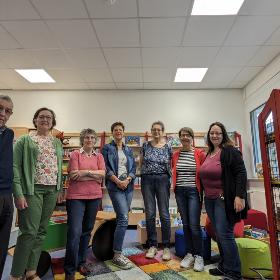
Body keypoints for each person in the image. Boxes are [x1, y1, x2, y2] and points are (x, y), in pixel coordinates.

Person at [10, 107, 64, 280]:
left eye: (49, 117)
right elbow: (14, 167)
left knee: (41, 231)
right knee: (28, 232)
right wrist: (18, 193)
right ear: (35, 120)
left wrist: (60, 188)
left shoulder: (56, 142)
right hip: (32, 190)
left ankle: (31, 272)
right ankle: (16, 274)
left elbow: (59, 167)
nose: (45, 120)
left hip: (51, 191)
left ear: (53, 122)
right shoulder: (24, 140)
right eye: (41, 117)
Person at [199, 122, 247, 280]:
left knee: (225, 234)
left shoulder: (229, 151)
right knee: (218, 234)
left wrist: (239, 196)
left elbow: (241, 172)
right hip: (210, 200)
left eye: (218, 133)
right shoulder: (209, 153)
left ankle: (234, 272)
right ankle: (224, 265)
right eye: (212, 133)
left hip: (223, 199)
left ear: (223, 134)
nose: (214, 135)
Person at [64, 129, 105, 279]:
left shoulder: (99, 156)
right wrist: (93, 174)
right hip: (76, 197)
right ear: (82, 139)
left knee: (86, 232)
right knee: (74, 233)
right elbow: (74, 175)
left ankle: (81, 263)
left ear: (95, 140)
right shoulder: (75, 154)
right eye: (86, 137)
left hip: (94, 197)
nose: (89, 140)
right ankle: (69, 269)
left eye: (92, 138)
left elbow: (103, 174)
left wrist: (84, 172)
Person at [101, 122, 136, 270]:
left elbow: (133, 167)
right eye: (115, 130)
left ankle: (114, 247)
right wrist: (117, 181)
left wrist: (127, 180)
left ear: (123, 133)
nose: (118, 132)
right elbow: (105, 168)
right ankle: (117, 255)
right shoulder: (107, 148)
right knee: (123, 218)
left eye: (120, 130)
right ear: (112, 133)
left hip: (128, 187)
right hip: (115, 186)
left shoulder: (128, 149)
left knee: (123, 217)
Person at [172, 127, 206, 271]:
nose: (185, 137)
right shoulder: (175, 154)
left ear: (192, 138)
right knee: (185, 224)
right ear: (179, 138)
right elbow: (174, 172)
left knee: (194, 225)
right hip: (180, 191)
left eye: (187, 135)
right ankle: (189, 253)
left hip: (193, 192)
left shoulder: (199, 154)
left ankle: (199, 256)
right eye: (182, 135)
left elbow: (204, 174)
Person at [140, 121, 172, 261]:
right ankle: (152, 245)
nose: (156, 132)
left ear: (163, 131)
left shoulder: (168, 146)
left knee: (164, 213)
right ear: (151, 131)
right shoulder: (145, 145)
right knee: (150, 213)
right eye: (154, 130)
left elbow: (171, 164)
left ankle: (165, 247)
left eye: (159, 130)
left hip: (163, 180)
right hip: (147, 180)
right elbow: (141, 162)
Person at [0, 95, 14, 279]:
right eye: (0, 108)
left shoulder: (9, 134)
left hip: (7, 195)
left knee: (2, 244)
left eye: (7, 110)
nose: (3, 113)